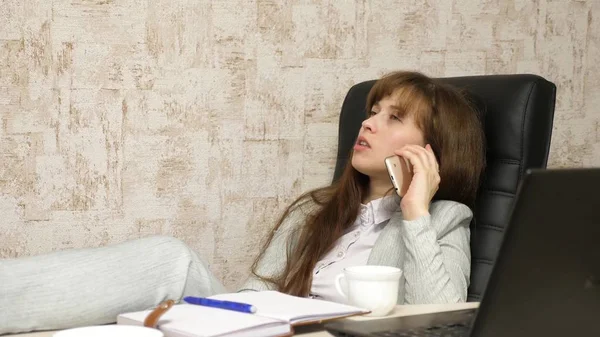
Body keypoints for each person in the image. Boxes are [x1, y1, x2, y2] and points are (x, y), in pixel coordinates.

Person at [0, 71, 485, 334]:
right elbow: (258, 292)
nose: (369, 124)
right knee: (170, 264)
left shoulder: (444, 219)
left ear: (432, 149)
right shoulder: (315, 211)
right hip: (272, 330)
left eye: (394, 117)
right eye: (372, 111)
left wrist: (416, 211)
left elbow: (439, 318)